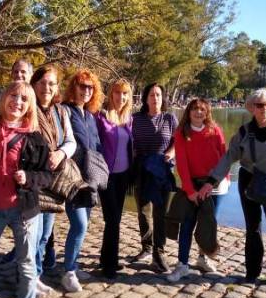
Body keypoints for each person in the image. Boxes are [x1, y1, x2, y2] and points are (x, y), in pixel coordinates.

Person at [198, 88, 266, 290]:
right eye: (259, 105)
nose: (264, 109)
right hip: (249, 183)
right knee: (252, 229)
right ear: (252, 108)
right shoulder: (244, 132)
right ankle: (252, 272)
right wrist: (212, 181)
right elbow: (228, 157)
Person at [0, 81, 52, 298]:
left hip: (23, 209)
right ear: (4, 98)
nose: (17, 102)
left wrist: (29, 177)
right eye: (13, 96)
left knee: (26, 265)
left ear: (30, 106)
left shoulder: (35, 137)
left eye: (24, 99)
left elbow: (48, 176)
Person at [167, 98, 228, 282]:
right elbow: (182, 165)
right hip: (192, 185)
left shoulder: (215, 130)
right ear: (189, 111)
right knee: (187, 224)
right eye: (195, 109)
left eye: (202, 109)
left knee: (208, 224)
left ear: (207, 112)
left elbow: (224, 158)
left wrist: (215, 182)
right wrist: (190, 190)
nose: (198, 112)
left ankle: (203, 259)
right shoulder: (181, 132)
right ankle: (182, 265)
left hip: (215, 185)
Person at [31, 65, 77, 298]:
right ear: (34, 84)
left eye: (51, 83)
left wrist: (60, 154)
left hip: (55, 180)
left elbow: (70, 141)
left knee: (45, 234)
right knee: (32, 232)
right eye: (42, 82)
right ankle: (29, 277)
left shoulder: (61, 112)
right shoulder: (27, 108)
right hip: (33, 180)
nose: (47, 87)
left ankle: (36, 275)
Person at [61, 69, 103, 292]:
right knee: (79, 224)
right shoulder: (65, 111)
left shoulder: (90, 116)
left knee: (82, 225)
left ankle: (73, 265)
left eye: (90, 87)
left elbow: (96, 145)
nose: (87, 91)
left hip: (90, 178)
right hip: (72, 177)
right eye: (82, 86)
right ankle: (68, 271)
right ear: (73, 87)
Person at [131, 83, 178, 273]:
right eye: (151, 95)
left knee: (160, 213)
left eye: (158, 95)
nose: (155, 98)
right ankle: (147, 247)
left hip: (162, 171)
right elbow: (129, 142)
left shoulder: (170, 118)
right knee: (143, 211)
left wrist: (170, 154)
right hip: (142, 169)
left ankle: (159, 252)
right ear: (145, 98)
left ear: (163, 98)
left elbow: (178, 142)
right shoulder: (135, 119)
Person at [95, 79, 133, 279]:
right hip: (106, 175)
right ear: (111, 94)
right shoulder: (101, 117)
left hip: (123, 175)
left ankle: (108, 258)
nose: (121, 97)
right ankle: (108, 264)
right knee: (112, 219)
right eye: (118, 93)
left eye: (125, 93)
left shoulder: (128, 118)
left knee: (116, 218)